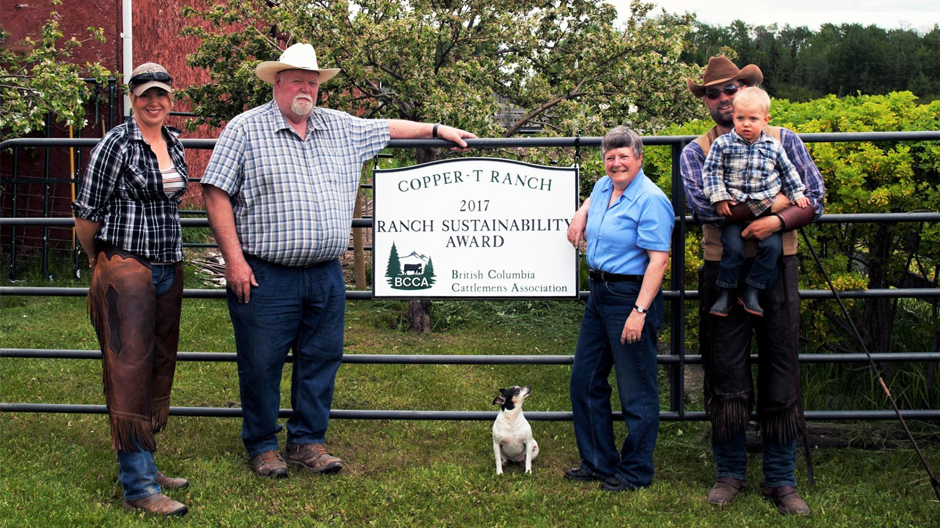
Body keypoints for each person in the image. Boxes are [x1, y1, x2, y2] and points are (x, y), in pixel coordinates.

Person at [200, 43, 476, 478]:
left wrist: (437, 128)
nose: (306, 88)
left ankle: (308, 441)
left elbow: (389, 128)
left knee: (321, 358)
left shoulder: (341, 127)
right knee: (260, 363)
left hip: (326, 273)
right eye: (297, 80)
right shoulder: (245, 129)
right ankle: (262, 445)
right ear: (277, 82)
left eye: (313, 82)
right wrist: (234, 261)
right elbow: (214, 190)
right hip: (265, 273)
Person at [681, 56, 825, 516]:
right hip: (721, 267)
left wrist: (774, 222)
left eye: (731, 89)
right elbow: (706, 209)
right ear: (705, 101)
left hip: (778, 265)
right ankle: (730, 471)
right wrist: (778, 205)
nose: (724, 99)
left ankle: (782, 478)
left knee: (781, 364)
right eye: (714, 93)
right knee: (725, 366)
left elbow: (815, 197)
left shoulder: (786, 141)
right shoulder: (695, 151)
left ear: (748, 91)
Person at [72, 62, 189, 517]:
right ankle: (138, 485)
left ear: (170, 97)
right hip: (126, 268)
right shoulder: (115, 144)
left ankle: (145, 462)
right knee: (128, 370)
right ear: (131, 97)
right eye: (145, 94)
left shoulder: (174, 141)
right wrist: (99, 260)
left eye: (161, 93)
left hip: (166, 268)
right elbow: (87, 215)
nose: (153, 101)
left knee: (157, 364)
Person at [564, 126, 673, 492]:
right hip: (599, 293)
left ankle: (636, 471)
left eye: (624, 156)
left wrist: (639, 312)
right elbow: (595, 199)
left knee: (636, 390)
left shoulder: (651, 199)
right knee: (585, 380)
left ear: (639, 159)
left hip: (631, 295)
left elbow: (659, 261)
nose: (616, 163)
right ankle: (598, 461)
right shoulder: (602, 187)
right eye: (610, 156)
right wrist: (581, 213)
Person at [702, 87, 809, 317]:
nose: (746, 124)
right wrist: (719, 196)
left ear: (766, 120)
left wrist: (796, 193)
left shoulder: (773, 145)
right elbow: (711, 172)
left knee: (772, 248)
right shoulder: (722, 145)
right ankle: (726, 291)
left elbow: (788, 172)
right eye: (740, 118)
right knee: (732, 249)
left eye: (753, 119)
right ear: (733, 117)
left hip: (767, 212)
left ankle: (752, 289)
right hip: (735, 208)